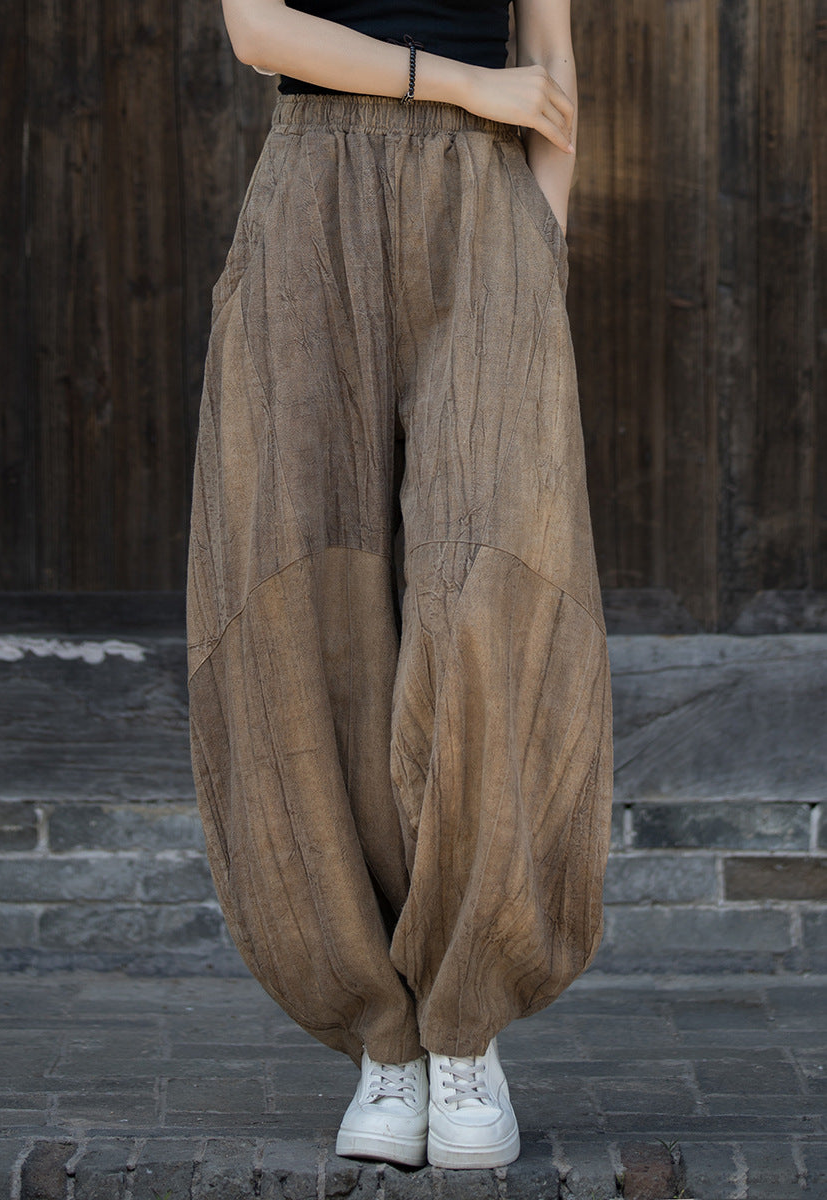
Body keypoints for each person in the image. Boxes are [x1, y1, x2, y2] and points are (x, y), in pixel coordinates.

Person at [185, 0, 614, 1172]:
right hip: (313, 200)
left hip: (485, 213)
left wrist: (541, 246)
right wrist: (470, 87)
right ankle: (385, 1039)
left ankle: (465, 1025)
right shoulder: (444, 96)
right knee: (308, 610)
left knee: (489, 602)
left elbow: (552, 58)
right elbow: (259, 30)